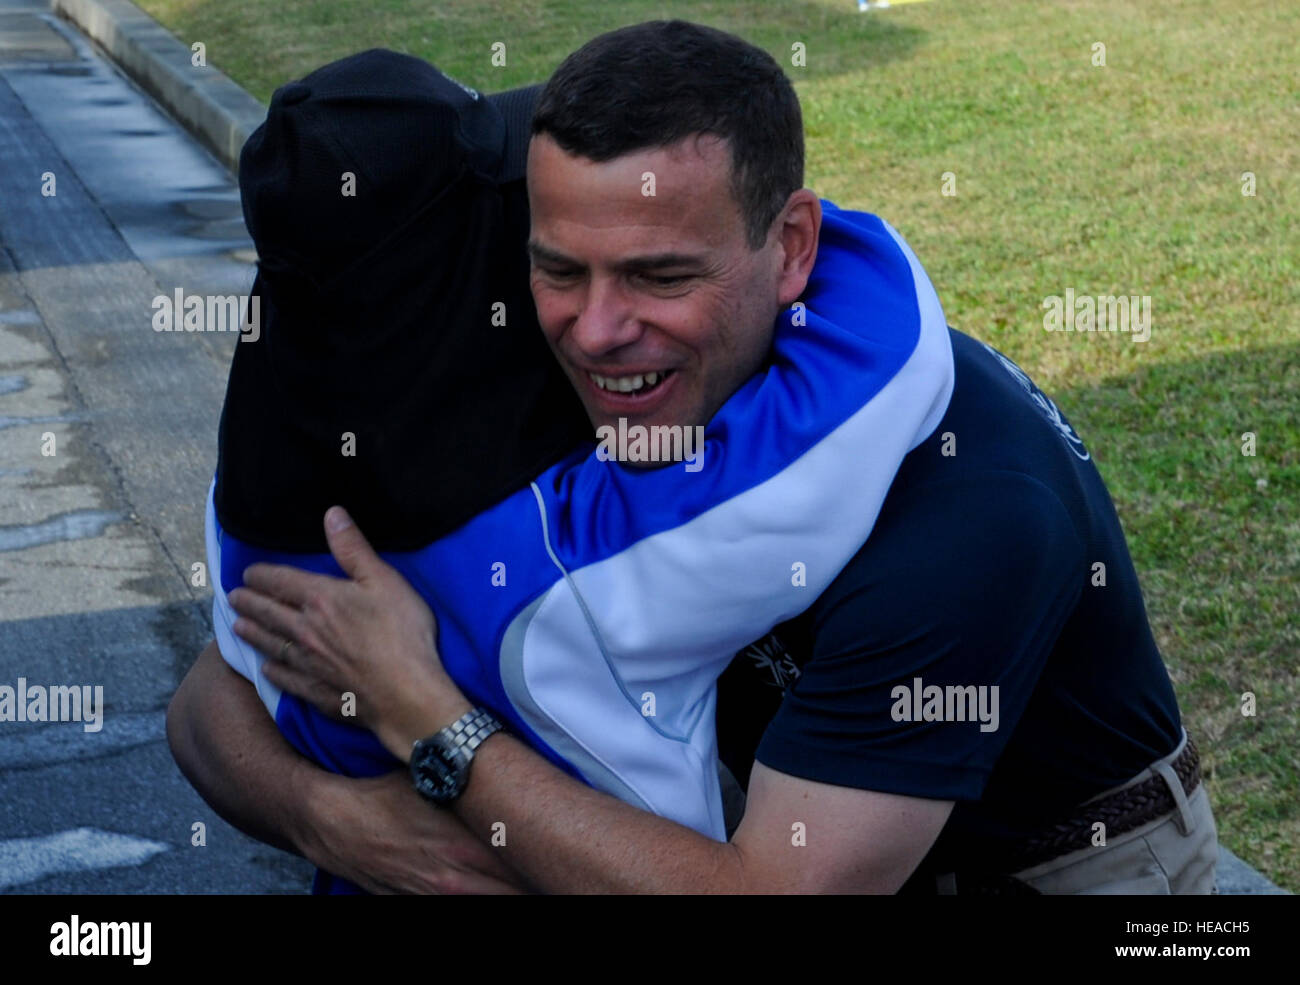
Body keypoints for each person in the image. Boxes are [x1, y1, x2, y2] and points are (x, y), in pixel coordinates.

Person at [171, 20, 1217, 894]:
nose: (596, 330)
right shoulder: (584, 356)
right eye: (558, 270)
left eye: (660, 276)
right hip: (748, 807)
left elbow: (775, 890)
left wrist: (434, 726)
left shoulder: (971, 510)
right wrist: (328, 814)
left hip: (1046, 869)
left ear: (793, 249)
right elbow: (212, 699)